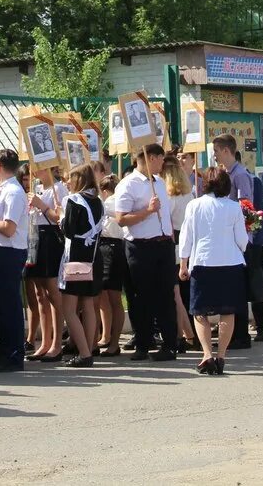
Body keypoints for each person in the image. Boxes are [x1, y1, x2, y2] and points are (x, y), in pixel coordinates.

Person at [178, 166, 249, 376]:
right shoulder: (234, 207)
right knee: (228, 311)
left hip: (203, 263)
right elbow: (242, 241)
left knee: (200, 312)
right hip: (230, 263)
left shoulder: (194, 205)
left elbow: (186, 236)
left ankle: (207, 354)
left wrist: (183, 263)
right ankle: (222, 355)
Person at [116, 143, 179, 361]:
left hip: (163, 244)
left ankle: (170, 344)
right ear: (150, 157)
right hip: (141, 247)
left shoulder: (159, 183)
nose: (163, 163)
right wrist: (147, 211)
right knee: (141, 297)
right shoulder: (128, 184)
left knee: (166, 296)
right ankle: (143, 343)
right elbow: (121, 218)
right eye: (160, 159)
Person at [212, 136, 263, 348]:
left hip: (241, 241)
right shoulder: (228, 174)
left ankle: (241, 335)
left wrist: (243, 241)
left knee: (240, 289)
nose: (214, 154)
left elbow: (246, 208)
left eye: (216, 150)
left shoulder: (240, 175)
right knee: (233, 289)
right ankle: (234, 334)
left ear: (226, 151)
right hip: (232, 239)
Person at [0, 149, 30, 372]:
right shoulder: (1, 190)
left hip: (8, 253)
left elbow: (9, 228)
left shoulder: (12, 191)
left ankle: (14, 355)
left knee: (9, 307)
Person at [60, 164, 105, 368]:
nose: (68, 182)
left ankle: (84, 353)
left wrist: (60, 219)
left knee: (68, 308)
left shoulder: (74, 200)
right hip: (94, 256)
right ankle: (89, 347)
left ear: (79, 179)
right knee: (88, 305)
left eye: (71, 178)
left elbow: (68, 230)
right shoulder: (98, 201)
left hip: (77, 257)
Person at [27, 168, 66, 362]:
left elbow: (60, 217)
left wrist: (41, 205)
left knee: (53, 292)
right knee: (39, 294)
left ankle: (57, 343)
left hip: (51, 239)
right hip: (34, 236)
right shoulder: (35, 187)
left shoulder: (59, 188)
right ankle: (44, 341)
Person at [164, 156, 198, 351]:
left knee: (176, 293)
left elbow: (166, 222)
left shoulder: (171, 196)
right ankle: (187, 332)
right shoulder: (189, 193)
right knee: (183, 292)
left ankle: (186, 334)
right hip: (187, 243)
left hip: (175, 242)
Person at [95, 174, 127, 356]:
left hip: (114, 246)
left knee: (114, 298)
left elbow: (104, 210)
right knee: (104, 296)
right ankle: (107, 337)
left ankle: (114, 342)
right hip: (103, 246)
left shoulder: (113, 202)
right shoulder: (106, 201)